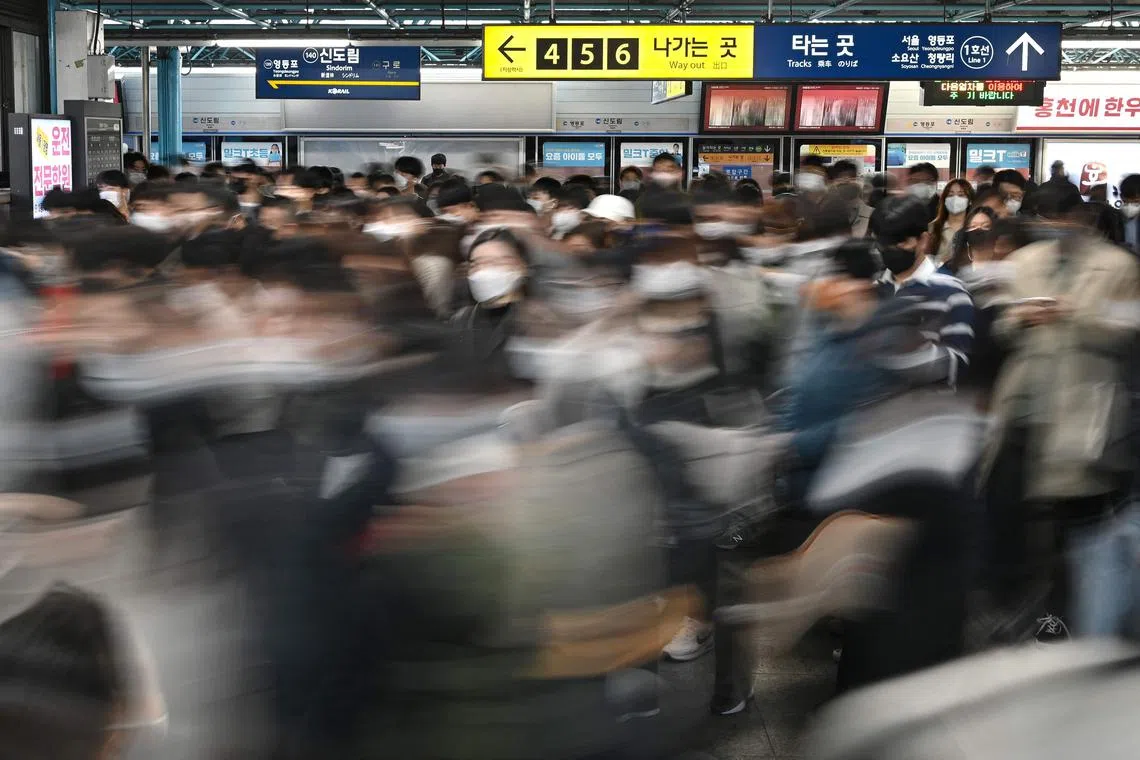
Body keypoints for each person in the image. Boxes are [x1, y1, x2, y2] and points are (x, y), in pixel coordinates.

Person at [981, 180, 1140, 640]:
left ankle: (1064, 620)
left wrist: (1073, 313)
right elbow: (1002, 327)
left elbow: (1125, 333)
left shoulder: (1118, 267)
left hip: (1083, 412)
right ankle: (1012, 611)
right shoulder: (1024, 262)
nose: (1051, 230)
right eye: (1041, 221)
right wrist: (1020, 318)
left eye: (1059, 220)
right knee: (1009, 515)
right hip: (1023, 406)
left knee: (1074, 527)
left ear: (1080, 219)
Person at [874, 195, 975, 388]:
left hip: (924, 408)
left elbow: (958, 368)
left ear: (923, 240)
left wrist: (908, 342)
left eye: (901, 242)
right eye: (883, 244)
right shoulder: (873, 289)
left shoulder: (951, 293)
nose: (890, 249)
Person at [939, 205, 997, 276]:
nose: (978, 229)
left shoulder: (1004, 266)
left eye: (985, 226)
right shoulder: (949, 269)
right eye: (973, 226)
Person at [929, 179, 976, 264]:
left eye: (961, 195)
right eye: (950, 195)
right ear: (944, 200)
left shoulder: (975, 227)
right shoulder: (933, 227)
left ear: (970, 200)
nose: (955, 198)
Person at [827, 159, 872, 237]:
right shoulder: (822, 213)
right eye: (841, 178)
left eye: (851, 178)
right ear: (832, 182)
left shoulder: (872, 214)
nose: (846, 182)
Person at [1119, 173, 1140, 254]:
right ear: (1121, 197)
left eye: (1136, 202)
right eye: (1126, 202)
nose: (1130, 206)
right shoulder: (1113, 218)